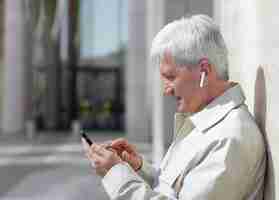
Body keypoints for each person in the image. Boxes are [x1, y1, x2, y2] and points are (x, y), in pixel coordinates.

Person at [82, 14, 266, 200]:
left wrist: (117, 176)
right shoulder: (205, 124)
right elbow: (174, 191)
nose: (166, 91)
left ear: (204, 70)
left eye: (170, 77)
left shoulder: (229, 138)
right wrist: (138, 168)